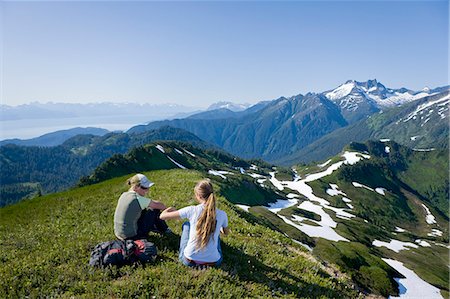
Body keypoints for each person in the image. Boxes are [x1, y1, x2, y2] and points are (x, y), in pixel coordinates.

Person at [160, 179, 229, 267]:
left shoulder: (192, 210)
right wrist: (218, 228)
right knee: (215, 233)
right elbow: (226, 232)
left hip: (189, 260)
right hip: (213, 262)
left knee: (186, 225)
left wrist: (170, 208)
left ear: (198, 196)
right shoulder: (222, 214)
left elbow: (162, 216)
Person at [114, 173, 170, 240]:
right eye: (144, 188)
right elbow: (161, 206)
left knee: (144, 210)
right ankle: (165, 230)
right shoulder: (138, 199)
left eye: (147, 188)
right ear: (136, 187)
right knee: (154, 210)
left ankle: (154, 227)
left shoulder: (123, 195)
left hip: (119, 235)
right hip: (134, 236)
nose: (147, 190)